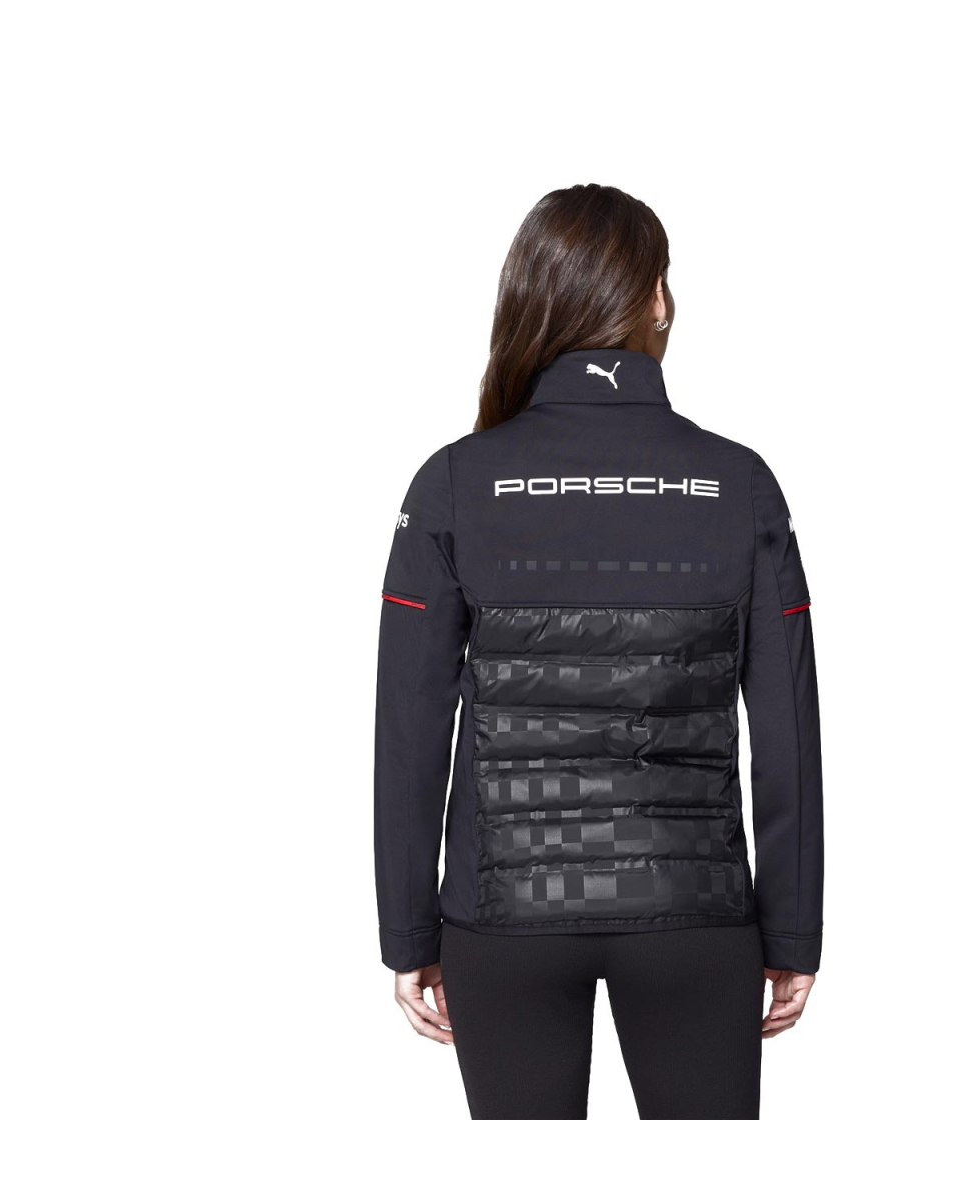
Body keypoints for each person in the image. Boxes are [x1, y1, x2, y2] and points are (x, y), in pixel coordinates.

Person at [374, 184, 823, 1120]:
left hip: (503, 923)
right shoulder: (739, 483)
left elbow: (410, 727)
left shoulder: (453, 483)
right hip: (696, 918)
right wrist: (793, 930)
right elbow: (787, 728)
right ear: (656, 297)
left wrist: (407, 932)